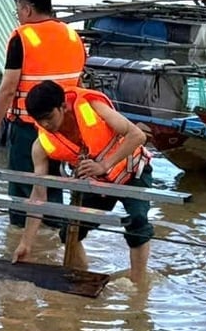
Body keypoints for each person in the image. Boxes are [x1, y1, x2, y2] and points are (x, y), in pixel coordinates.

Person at [16, 80, 154, 283]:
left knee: (138, 224)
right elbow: (38, 195)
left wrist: (105, 165)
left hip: (132, 171)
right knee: (70, 231)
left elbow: (137, 135)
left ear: (63, 106)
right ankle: (82, 279)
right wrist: (25, 244)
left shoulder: (93, 107)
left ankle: (139, 286)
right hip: (98, 184)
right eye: (39, 120)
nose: (45, 125)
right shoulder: (40, 145)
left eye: (49, 117)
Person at [0, 0, 87, 229]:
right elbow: (79, 83)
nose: (17, 15)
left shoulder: (22, 37)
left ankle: (23, 243)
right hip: (63, 127)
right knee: (53, 183)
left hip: (30, 126)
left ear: (28, 9)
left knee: (24, 189)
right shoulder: (72, 36)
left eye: (18, 9)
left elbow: (7, 90)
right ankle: (55, 241)